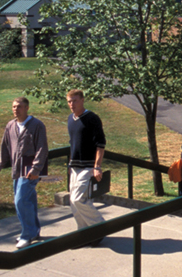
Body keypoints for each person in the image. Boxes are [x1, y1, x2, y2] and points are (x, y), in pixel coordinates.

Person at [0, 97, 49, 249]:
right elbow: (4, 148)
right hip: (17, 169)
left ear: (27, 108)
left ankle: (27, 235)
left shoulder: (37, 125)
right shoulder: (10, 125)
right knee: (28, 200)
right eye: (14, 106)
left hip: (30, 170)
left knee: (20, 201)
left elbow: (42, 148)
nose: (16, 109)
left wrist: (36, 169)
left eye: (20, 106)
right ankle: (34, 231)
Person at [65, 89, 106, 246]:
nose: (72, 104)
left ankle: (99, 226)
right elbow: (72, 143)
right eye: (69, 101)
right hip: (75, 166)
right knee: (72, 202)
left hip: (88, 166)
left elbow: (100, 144)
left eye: (74, 100)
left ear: (82, 100)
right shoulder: (70, 119)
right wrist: (70, 163)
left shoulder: (92, 118)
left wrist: (97, 166)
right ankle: (85, 233)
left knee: (78, 200)